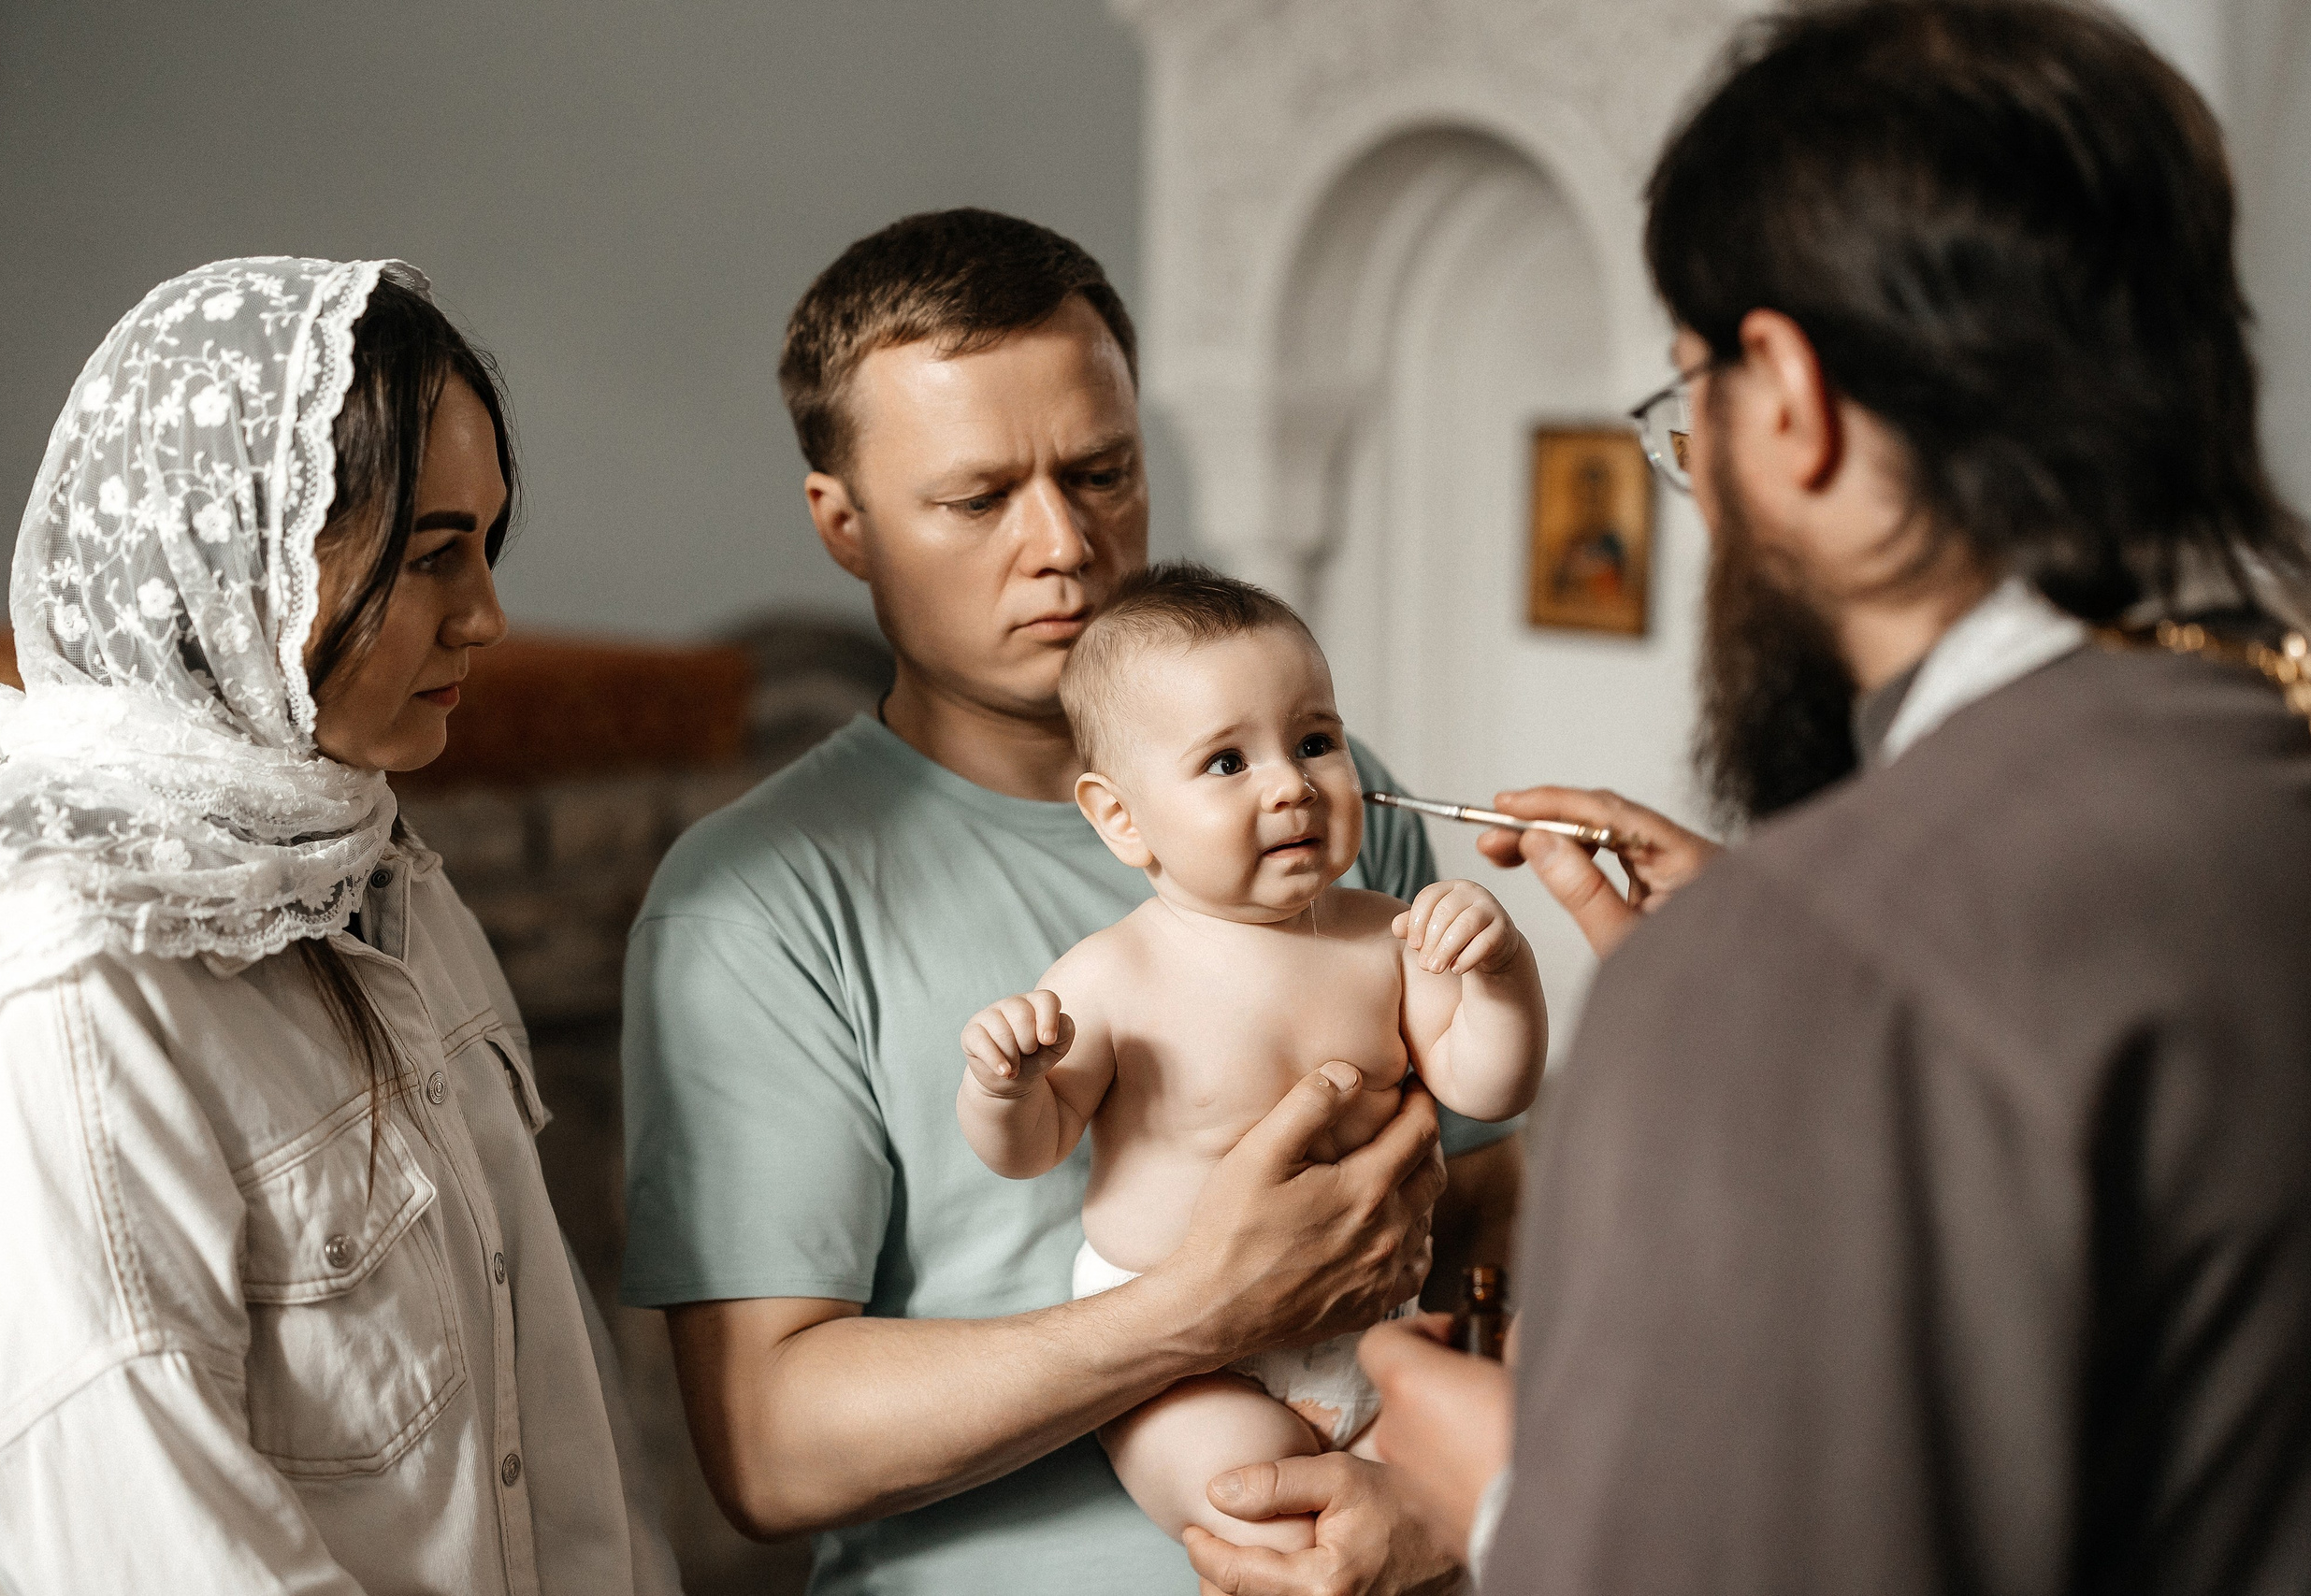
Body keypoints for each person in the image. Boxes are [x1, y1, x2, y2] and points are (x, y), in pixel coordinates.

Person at [1341, 4, 2311, 1594]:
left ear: (1783, 392)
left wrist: (1507, 1497)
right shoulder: (2251, 748)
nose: (1694, 479)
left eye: (1683, 411)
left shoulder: (1790, 974)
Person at [620, 209, 1519, 1596]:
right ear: (844, 525)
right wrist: (1195, 1312)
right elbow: (768, 1447)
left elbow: (1481, 1204)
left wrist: (1456, 1509)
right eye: (978, 499)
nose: (1064, 544)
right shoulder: (758, 901)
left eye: (1101, 472)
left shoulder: (1326, 810)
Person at [0, 259, 679, 1595]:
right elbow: (151, 1547)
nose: (488, 615)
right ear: (235, 557)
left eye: (487, 547)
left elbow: (557, 1433)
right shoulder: (61, 978)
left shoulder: (366, 867)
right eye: (432, 553)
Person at [958, 565, 1545, 1549]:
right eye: (1227, 763)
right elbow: (1028, 1147)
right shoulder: (1111, 976)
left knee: (1555, 1415)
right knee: (1264, 1515)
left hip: (1382, 1315)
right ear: (1120, 818)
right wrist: (1003, 1084)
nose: (1291, 783)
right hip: (1183, 1364)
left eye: (1316, 741)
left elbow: (1488, 1080)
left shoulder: (1384, 937)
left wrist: (1496, 971)